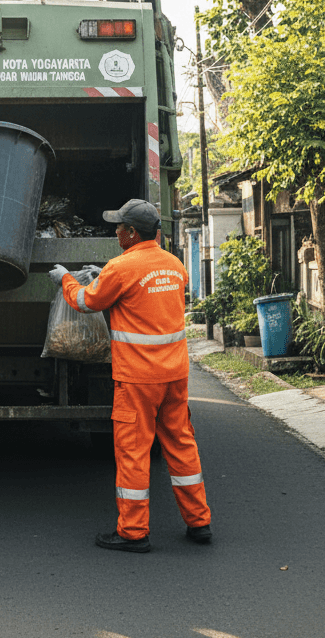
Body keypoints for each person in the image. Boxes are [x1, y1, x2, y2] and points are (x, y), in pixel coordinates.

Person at [48, 198, 211, 553]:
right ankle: (199, 522)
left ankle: (133, 532)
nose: (115, 231)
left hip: (138, 378)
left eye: (119, 227)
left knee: (134, 452)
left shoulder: (121, 268)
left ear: (132, 233)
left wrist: (66, 279)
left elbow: (87, 302)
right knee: (181, 445)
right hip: (175, 375)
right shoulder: (175, 266)